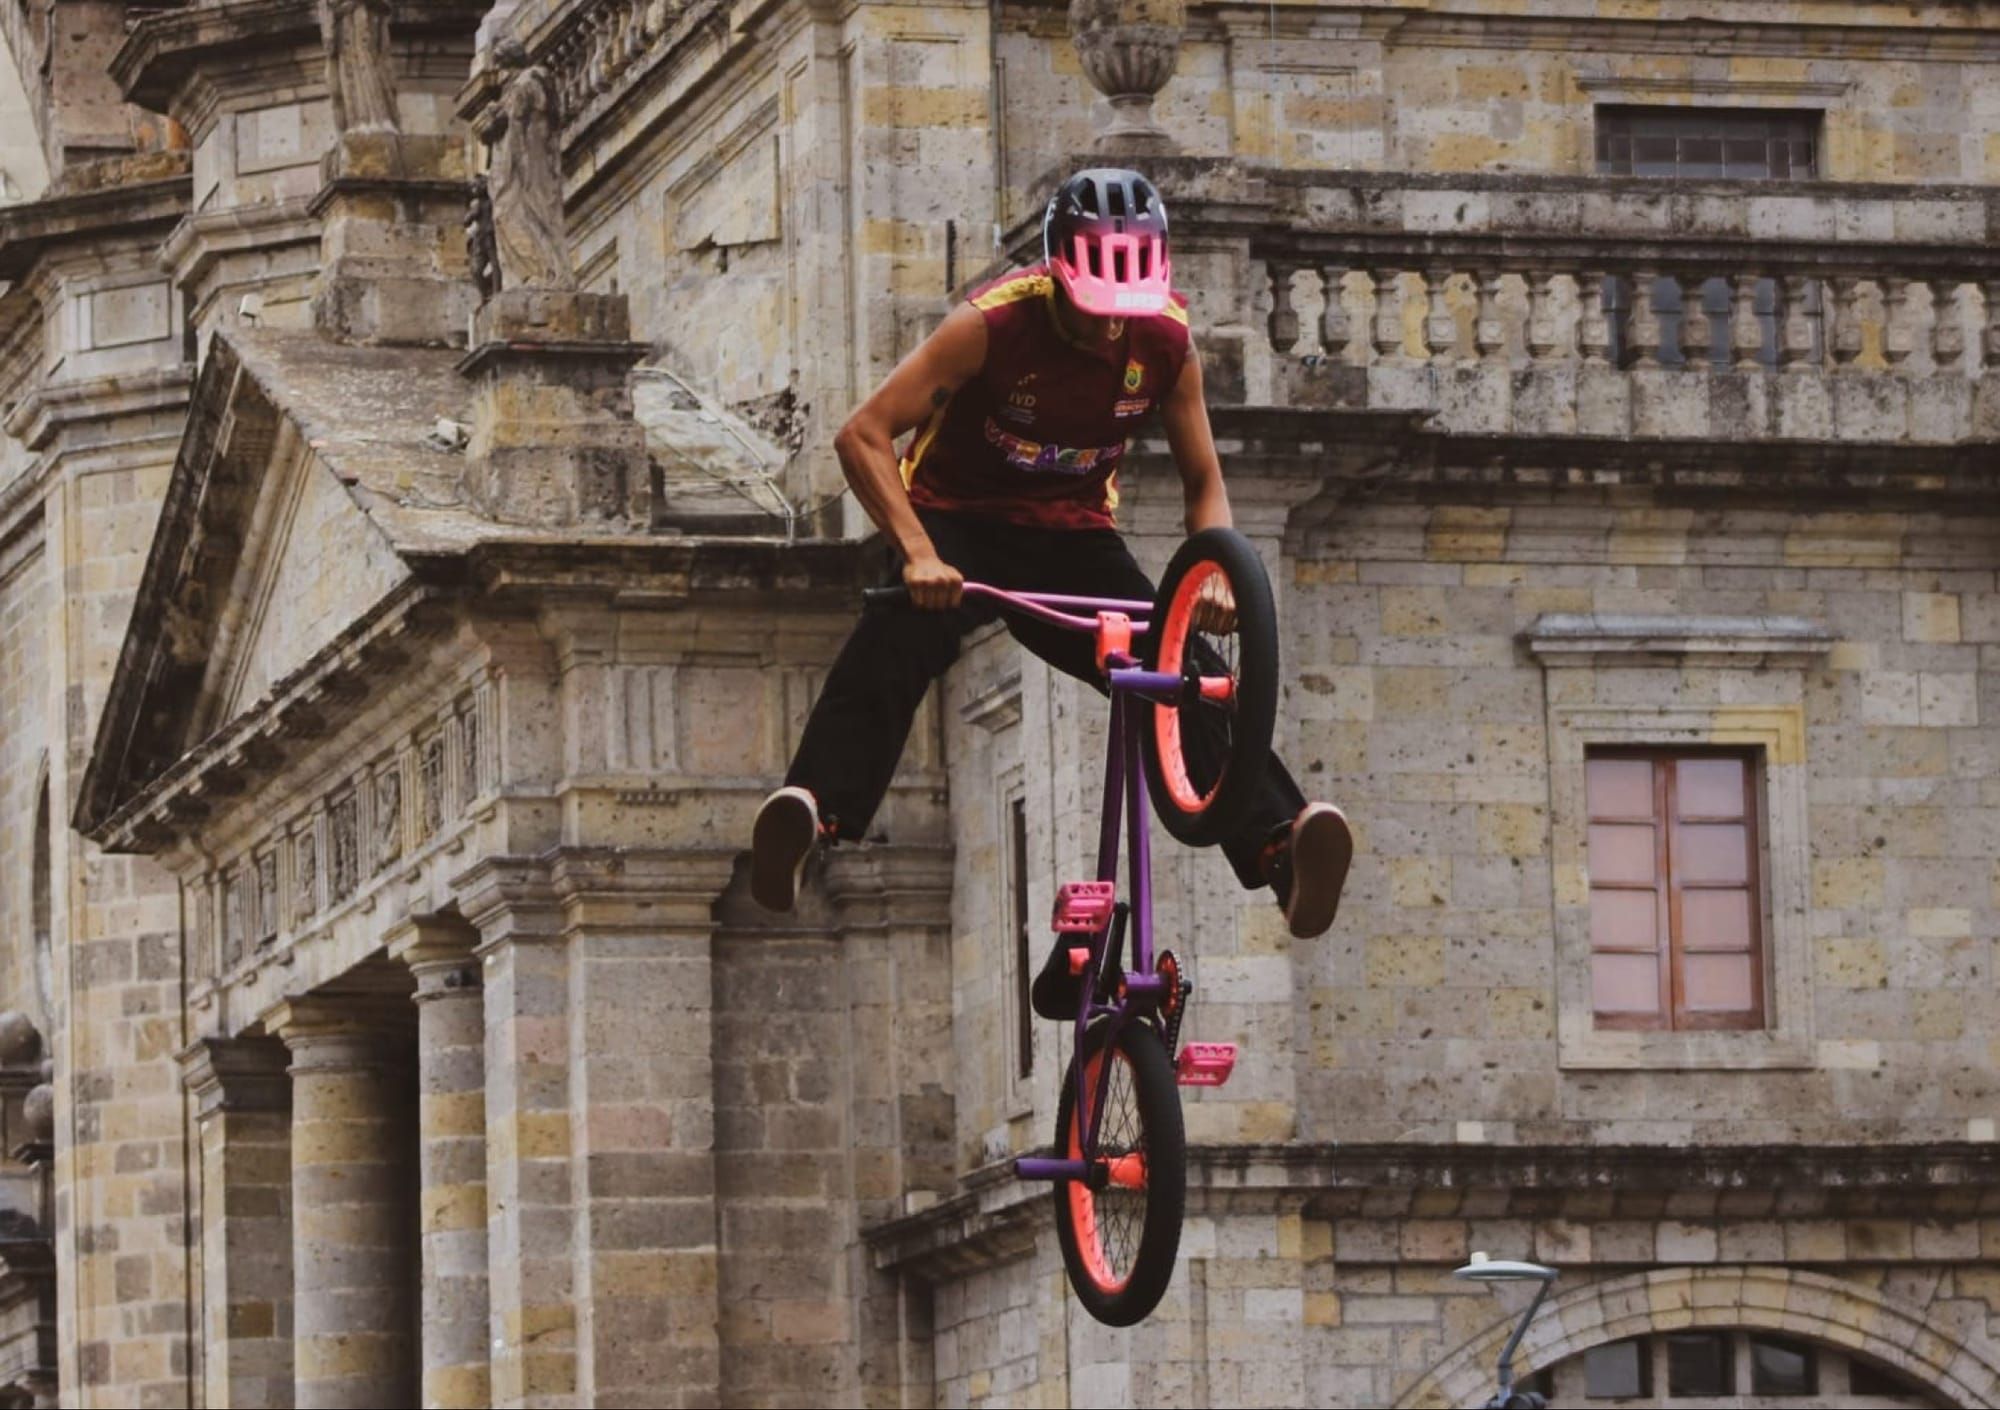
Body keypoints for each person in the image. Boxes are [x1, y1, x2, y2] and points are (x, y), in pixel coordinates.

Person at [751, 168, 1352, 1012]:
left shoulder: (1165, 342)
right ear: (1059, 272)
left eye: (1123, 306)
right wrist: (918, 553)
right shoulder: (992, 326)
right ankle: (815, 814)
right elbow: (864, 435)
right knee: (894, 646)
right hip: (956, 525)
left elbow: (1203, 476)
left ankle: (1282, 847)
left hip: (1070, 536)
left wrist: (1217, 570)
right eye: (1091, 304)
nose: (1108, 323)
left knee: (1179, 662)